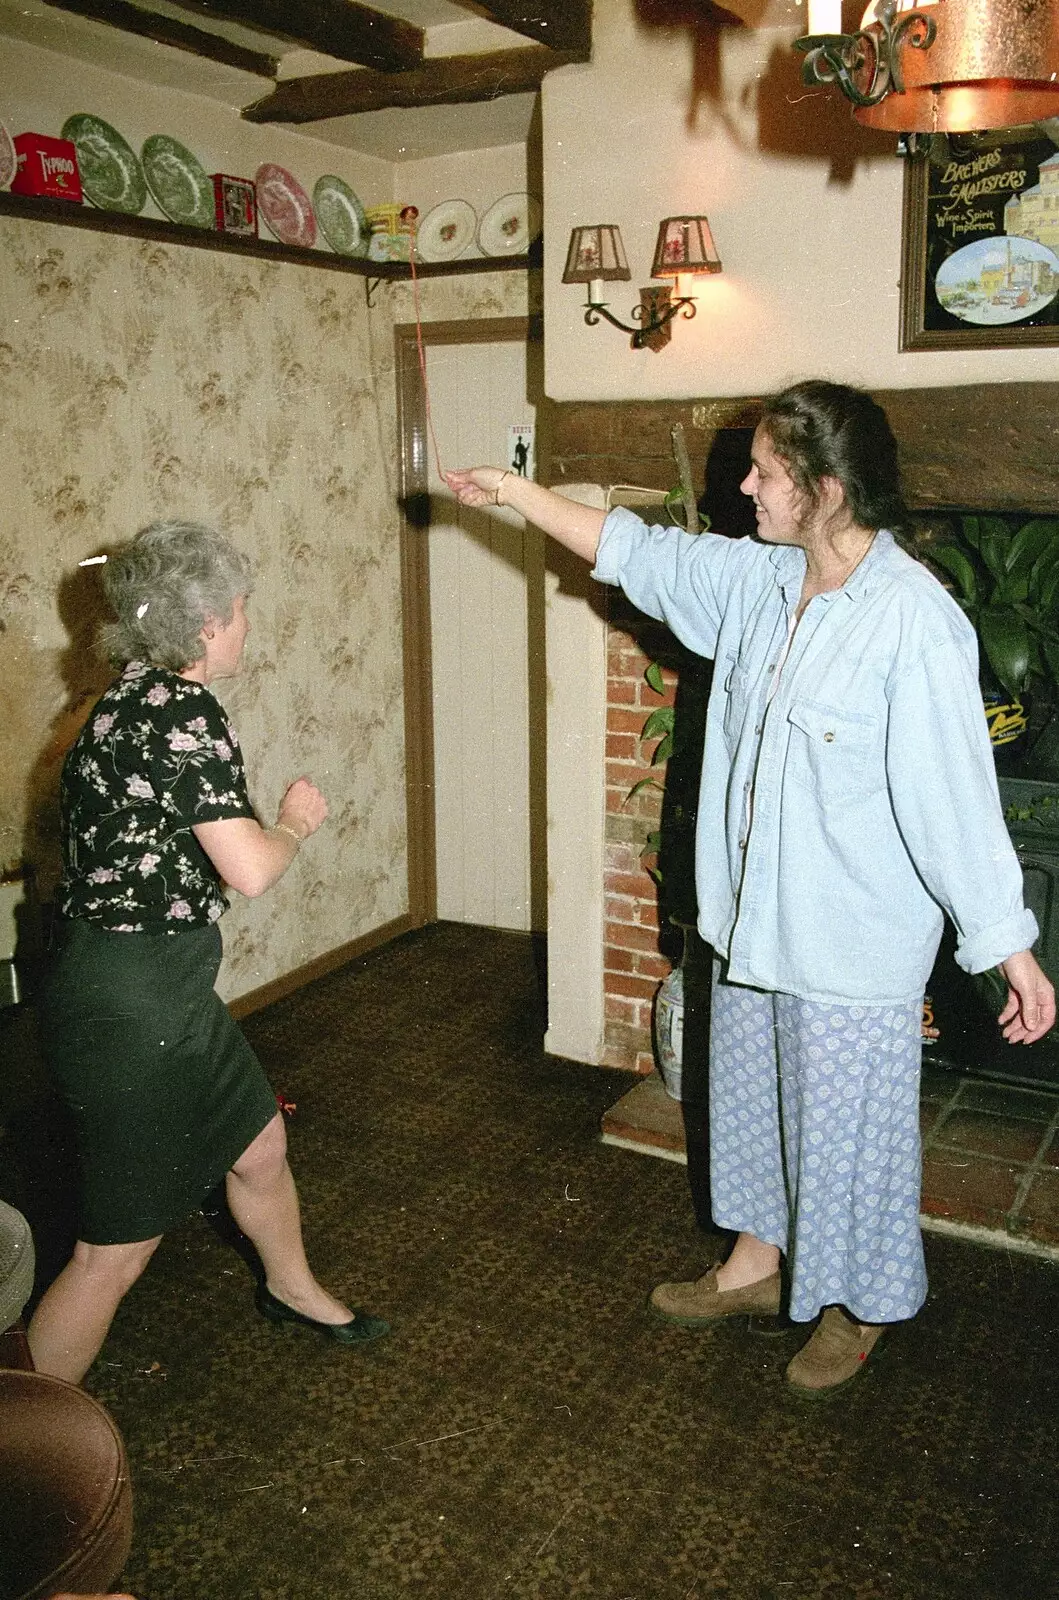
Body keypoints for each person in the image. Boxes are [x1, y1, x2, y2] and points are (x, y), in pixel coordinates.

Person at [445, 380, 1055, 1399]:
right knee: (753, 1101)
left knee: (848, 1132)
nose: (746, 486)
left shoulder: (915, 622)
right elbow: (634, 549)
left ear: (820, 488)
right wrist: (515, 490)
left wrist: (1010, 946)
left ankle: (858, 1305)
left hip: (850, 939)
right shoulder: (760, 581)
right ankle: (756, 1263)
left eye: (765, 473)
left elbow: (954, 800)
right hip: (750, 919)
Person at [28, 520, 389, 1383]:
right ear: (205, 627)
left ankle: (291, 1287)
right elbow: (253, 869)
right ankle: (28, 1446)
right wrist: (295, 822)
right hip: (132, 1007)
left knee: (258, 1143)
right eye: (240, 610)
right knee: (110, 1257)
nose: (245, 625)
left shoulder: (130, 692)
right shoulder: (183, 711)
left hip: (153, 991)